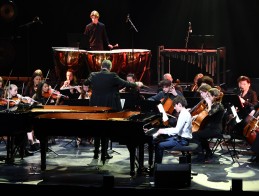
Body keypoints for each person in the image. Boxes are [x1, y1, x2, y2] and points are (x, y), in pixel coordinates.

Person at [84, 59, 142, 160]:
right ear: (110, 67)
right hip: (108, 108)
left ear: (101, 66)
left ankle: (96, 153)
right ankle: (104, 153)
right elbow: (125, 83)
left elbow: (85, 82)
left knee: (97, 130)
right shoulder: (112, 75)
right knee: (106, 130)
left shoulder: (93, 75)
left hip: (95, 107)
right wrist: (136, 84)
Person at [151, 96, 192, 164]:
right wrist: (165, 130)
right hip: (180, 138)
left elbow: (177, 130)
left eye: (175, 106)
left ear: (179, 104)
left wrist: (163, 131)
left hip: (182, 141)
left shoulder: (184, 114)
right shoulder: (183, 113)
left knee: (160, 145)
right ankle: (155, 166)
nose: (174, 108)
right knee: (158, 142)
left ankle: (157, 167)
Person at [192, 87, 225, 161]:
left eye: (209, 96)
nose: (208, 98)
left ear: (214, 97)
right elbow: (205, 114)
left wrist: (209, 104)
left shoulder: (218, 105)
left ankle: (200, 154)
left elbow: (210, 113)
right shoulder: (214, 104)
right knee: (199, 134)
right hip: (209, 128)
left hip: (215, 129)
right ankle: (208, 152)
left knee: (195, 135)